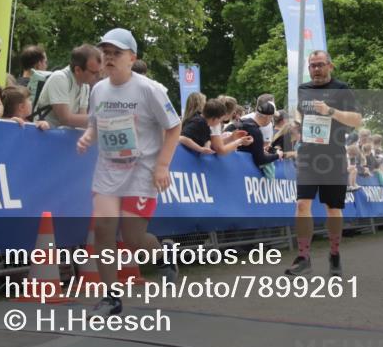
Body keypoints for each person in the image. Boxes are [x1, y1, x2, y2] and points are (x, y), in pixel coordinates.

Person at [76, 28, 181, 316]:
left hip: (141, 173)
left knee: (133, 239)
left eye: (117, 53)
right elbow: (95, 123)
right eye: (105, 53)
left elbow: (174, 127)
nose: (109, 58)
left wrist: (162, 166)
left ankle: (163, 254)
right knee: (103, 231)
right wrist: (88, 137)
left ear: (132, 58)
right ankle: (111, 297)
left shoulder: (149, 89)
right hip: (107, 172)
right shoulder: (98, 89)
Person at [286, 50, 362, 278]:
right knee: (302, 204)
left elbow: (357, 120)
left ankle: (335, 253)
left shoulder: (341, 89)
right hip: (308, 155)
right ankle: (303, 257)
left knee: (333, 209)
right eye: (312, 65)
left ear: (330, 66)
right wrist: (297, 129)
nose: (316, 69)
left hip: (333, 156)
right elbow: (300, 116)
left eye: (320, 64)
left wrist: (330, 111)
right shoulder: (303, 89)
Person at [35, 44, 102, 128]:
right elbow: (65, 119)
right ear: (78, 70)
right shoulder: (59, 78)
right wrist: (101, 120)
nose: (99, 76)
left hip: (62, 133)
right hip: (42, 132)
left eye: (99, 72)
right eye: (94, 73)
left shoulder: (85, 86)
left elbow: (82, 120)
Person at [179, 97, 251, 155]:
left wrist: (207, 146)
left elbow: (209, 141)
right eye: (220, 120)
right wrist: (200, 149)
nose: (219, 123)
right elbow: (182, 138)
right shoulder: (198, 122)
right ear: (215, 119)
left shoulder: (205, 125)